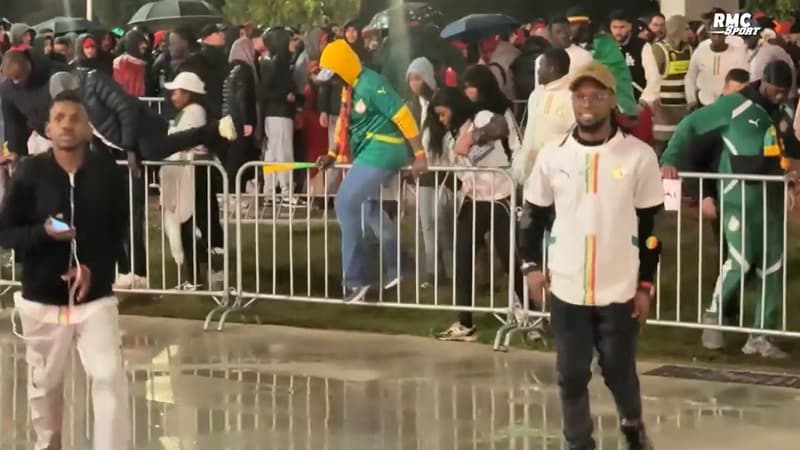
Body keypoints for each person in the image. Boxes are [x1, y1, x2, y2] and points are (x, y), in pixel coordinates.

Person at [520, 62, 662, 450]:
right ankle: (578, 441)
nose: (587, 103)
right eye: (580, 96)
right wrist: (531, 267)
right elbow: (531, 217)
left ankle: (633, 425)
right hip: (567, 286)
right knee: (570, 373)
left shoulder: (638, 156)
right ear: (572, 101)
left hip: (619, 287)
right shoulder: (553, 156)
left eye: (596, 96)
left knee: (618, 371)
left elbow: (651, 230)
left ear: (611, 100)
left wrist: (645, 285)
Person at [0, 90, 131, 450]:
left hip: (96, 298)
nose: (67, 125)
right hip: (43, 299)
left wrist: (93, 266)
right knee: (45, 387)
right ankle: (49, 443)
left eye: (75, 118)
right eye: (59, 118)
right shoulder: (30, 173)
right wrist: (41, 233)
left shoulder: (107, 173)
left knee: (108, 378)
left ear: (88, 128)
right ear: (48, 128)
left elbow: (117, 231)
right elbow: (5, 231)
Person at [660, 61, 799, 359]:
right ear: (764, 83)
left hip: (771, 198)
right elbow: (689, 125)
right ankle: (714, 316)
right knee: (740, 257)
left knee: (773, 264)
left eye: (785, 93)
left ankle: (762, 335)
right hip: (738, 197)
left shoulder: (784, 111)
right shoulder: (732, 107)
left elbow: (790, 147)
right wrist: (669, 158)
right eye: (776, 91)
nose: (779, 97)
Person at [316, 39, 428, 303]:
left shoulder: (370, 83)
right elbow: (345, 124)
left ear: (344, 67)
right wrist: (333, 154)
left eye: (334, 75)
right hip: (371, 150)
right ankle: (400, 266)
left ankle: (357, 280)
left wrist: (420, 154)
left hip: (384, 148)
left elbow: (402, 114)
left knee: (345, 203)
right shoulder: (351, 87)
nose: (332, 82)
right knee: (368, 209)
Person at [431, 87, 524, 341]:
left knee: (510, 260)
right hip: (472, 200)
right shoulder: (449, 138)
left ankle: (530, 315)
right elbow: (457, 174)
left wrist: (473, 138)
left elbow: (500, 127)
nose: (441, 119)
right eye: (437, 116)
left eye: (443, 113)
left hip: (500, 197)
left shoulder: (481, 117)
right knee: (462, 260)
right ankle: (464, 323)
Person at [162, 72, 226, 289]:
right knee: (196, 223)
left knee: (198, 223)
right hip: (190, 171)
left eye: (176, 92)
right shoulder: (188, 111)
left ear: (188, 93)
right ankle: (199, 275)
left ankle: (203, 275)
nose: (173, 97)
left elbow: (184, 140)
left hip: (195, 172)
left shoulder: (195, 112)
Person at [407, 57, 453, 287]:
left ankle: (452, 269)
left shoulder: (439, 101)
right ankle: (433, 273)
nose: (413, 83)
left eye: (417, 78)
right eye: (410, 79)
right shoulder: (412, 107)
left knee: (442, 222)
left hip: (441, 169)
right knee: (426, 223)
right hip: (423, 170)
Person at [517, 48, 575, 184]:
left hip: (561, 174)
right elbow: (529, 135)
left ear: (551, 68)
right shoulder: (535, 95)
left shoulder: (571, 96)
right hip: (532, 171)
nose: (537, 71)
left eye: (541, 66)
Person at [1, 50, 69, 158]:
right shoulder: (8, 90)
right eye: (12, 78)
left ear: (28, 66)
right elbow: (13, 123)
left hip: (68, 132)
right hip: (42, 137)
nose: (16, 82)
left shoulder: (55, 73)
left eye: (18, 77)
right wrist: (14, 151)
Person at [642, 14, 693, 154]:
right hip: (663, 113)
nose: (690, 32)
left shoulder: (688, 50)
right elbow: (651, 80)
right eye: (686, 29)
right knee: (661, 150)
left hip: (684, 111)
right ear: (677, 29)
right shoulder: (659, 50)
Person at [462, 65, 522, 180]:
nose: (467, 92)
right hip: (478, 175)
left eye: (471, 87)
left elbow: (514, 142)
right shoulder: (470, 110)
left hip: (501, 172)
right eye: (465, 87)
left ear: (483, 86)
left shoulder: (502, 109)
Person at [259, 27, 297, 201]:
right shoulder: (280, 62)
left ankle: (269, 190)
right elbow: (267, 89)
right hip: (280, 113)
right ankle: (286, 190)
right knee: (283, 152)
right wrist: (286, 96)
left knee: (272, 153)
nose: (293, 43)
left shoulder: (270, 60)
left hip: (271, 113)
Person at [223, 36, 260, 193]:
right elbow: (243, 96)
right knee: (240, 158)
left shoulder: (228, 69)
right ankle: (236, 192)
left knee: (231, 157)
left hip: (227, 118)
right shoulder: (245, 70)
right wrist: (248, 122)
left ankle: (230, 190)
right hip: (239, 120)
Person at [685, 24, 748, 108]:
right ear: (709, 35)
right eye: (714, 34)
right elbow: (690, 77)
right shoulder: (700, 52)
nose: (717, 38)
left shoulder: (737, 54)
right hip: (703, 104)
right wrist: (691, 100)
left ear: (726, 34)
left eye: (720, 34)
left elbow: (744, 80)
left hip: (728, 104)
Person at [179, 23, 228, 120]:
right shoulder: (195, 60)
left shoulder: (224, 56)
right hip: (206, 112)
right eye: (219, 33)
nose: (224, 36)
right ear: (209, 36)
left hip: (219, 111)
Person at [534, 16, 593, 85]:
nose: (563, 35)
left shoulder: (585, 56)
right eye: (558, 32)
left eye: (566, 31)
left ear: (570, 31)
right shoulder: (542, 60)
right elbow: (539, 88)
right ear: (550, 34)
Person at [609, 10, 649, 102]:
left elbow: (653, 78)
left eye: (622, 27)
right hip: (613, 104)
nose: (618, 31)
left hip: (637, 102)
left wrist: (644, 101)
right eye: (614, 27)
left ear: (630, 26)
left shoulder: (643, 47)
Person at [113, 29, 150, 97]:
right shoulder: (120, 62)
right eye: (141, 43)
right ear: (133, 43)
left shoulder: (145, 63)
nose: (145, 46)